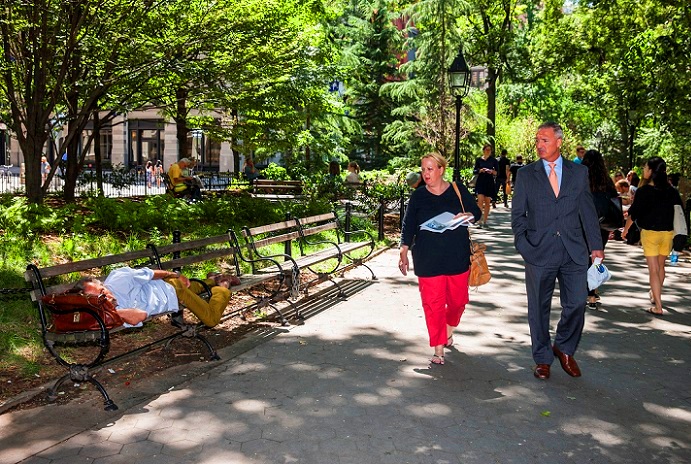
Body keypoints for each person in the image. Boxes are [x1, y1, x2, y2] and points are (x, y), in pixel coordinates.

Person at [511, 122, 603, 380]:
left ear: (559, 142)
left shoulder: (579, 172)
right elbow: (518, 215)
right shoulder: (526, 174)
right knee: (538, 308)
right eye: (537, 140)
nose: (539, 145)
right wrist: (523, 245)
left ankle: (563, 347)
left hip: (574, 251)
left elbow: (587, 211)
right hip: (538, 251)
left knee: (577, 303)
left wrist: (596, 246)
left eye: (545, 140)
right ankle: (542, 359)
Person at [399, 152, 482, 366]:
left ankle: (447, 331)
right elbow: (408, 225)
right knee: (433, 304)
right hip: (427, 257)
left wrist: (468, 216)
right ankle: (438, 348)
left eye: (430, 169)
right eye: (423, 169)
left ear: (441, 170)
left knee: (457, 302)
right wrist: (403, 249)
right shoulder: (418, 196)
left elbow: (476, 212)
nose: (425, 173)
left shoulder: (457, 189)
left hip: (457, 256)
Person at [75, 267, 238, 328]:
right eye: (99, 297)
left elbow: (150, 273)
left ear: (103, 284)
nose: (106, 296)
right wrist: (110, 310)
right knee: (193, 290)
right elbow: (139, 316)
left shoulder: (119, 279)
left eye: (102, 290)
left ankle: (222, 287)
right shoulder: (111, 313)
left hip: (172, 289)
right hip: (169, 292)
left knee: (211, 319)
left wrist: (175, 275)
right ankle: (213, 279)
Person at [622, 157, 683, 316]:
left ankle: (658, 306)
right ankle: (655, 294)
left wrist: (625, 231)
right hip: (668, 233)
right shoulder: (672, 191)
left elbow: (633, 214)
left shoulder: (644, 191)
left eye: (645, 167)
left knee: (653, 270)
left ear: (650, 171)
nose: (644, 170)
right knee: (661, 267)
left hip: (650, 234)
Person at [581, 149, 620, 308]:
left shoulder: (581, 178)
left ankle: (584, 290)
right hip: (602, 224)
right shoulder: (607, 181)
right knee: (596, 257)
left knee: (582, 256)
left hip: (582, 222)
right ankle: (592, 292)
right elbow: (613, 199)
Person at [473, 144, 498, 227]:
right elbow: (475, 171)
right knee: (480, 201)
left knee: (487, 202)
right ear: (483, 150)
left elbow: (497, 172)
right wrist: (480, 170)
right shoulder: (479, 160)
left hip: (489, 182)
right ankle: (479, 221)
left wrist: (492, 171)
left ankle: (485, 221)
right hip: (481, 182)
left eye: (490, 150)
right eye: (487, 150)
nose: (488, 151)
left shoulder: (493, 160)